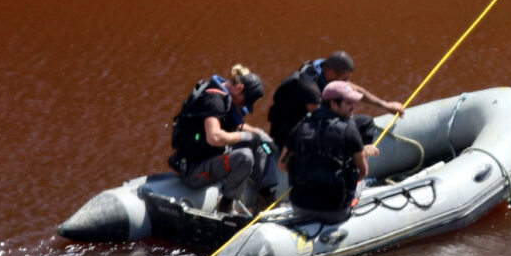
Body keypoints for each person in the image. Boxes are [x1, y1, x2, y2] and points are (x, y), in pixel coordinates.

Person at [168, 66, 269, 210]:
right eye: (244, 101)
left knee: (258, 144)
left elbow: (238, 125)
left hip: (211, 156)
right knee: (245, 157)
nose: (244, 106)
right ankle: (226, 206)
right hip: (194, 170)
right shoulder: (215, 101)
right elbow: (214, 137)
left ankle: (266, 195)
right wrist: (245, 136)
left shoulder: (224, 92)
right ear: (239, 89)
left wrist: (258, 134)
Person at [284, 80, 377, 222]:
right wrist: (364, 152)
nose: (353, 107)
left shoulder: (300, 127)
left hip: (299, 207)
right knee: (362, 183)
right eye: (348, 103)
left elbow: (282, 164)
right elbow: (363, 172)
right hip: (334, 211)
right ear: (333, 104)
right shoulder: (349, 130)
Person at [295, 51, 407, 119]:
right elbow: (317, 118)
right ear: (332, 73)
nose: (347, 82)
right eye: (345, 79)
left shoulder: (327, 68)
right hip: (291, 126)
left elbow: (357, 91)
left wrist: (386, 105)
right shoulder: (311, 88)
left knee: (362, 120)